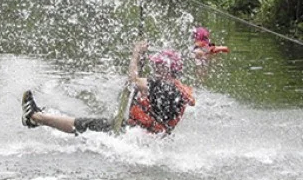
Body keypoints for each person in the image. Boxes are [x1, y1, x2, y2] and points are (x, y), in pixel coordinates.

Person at [22, 41, 195, 136]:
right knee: (95, 122)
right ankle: (41, 116)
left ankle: (34, 117)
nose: (155, 68)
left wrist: (135, 53)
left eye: (159, 66)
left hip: (133, 135)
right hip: (147, 135)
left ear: (167, 70)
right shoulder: (176, 89)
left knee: (84, 123)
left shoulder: (162, 86)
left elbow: (132, 80)